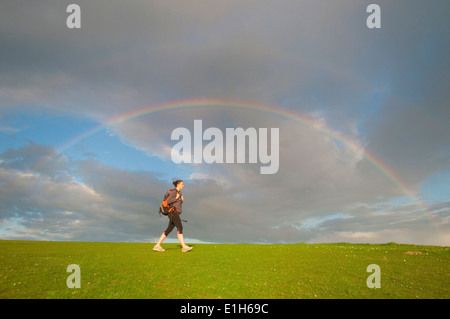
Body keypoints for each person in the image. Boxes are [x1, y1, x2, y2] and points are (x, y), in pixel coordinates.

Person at [153, 180, 192, 252]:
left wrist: (181, 200)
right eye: (182, 184)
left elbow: (177, 203)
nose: (183, 185)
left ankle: (157, 245)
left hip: (175, 213)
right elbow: (169, 201)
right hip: (172, 212)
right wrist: (177, 198)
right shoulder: (174, 192)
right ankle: (184, 247)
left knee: (169, 229)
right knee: (180, 226)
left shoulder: (180, 193)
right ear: (178, 185)